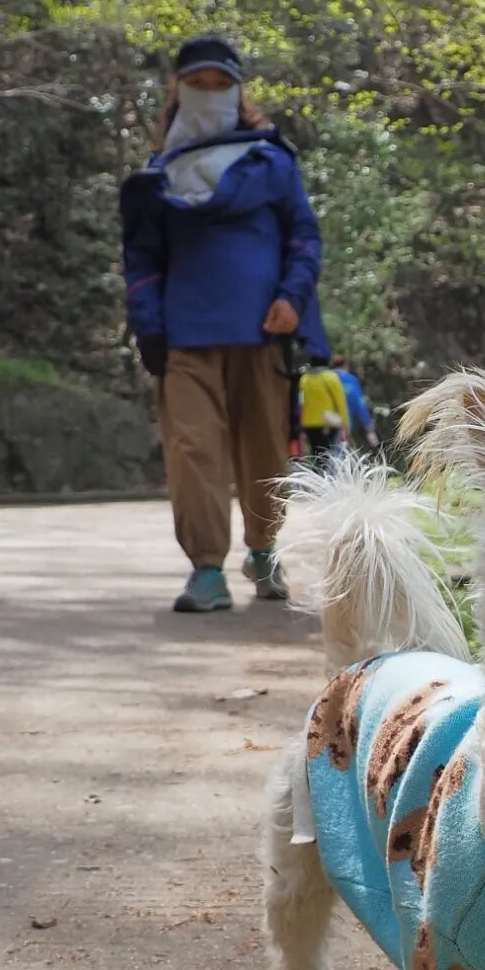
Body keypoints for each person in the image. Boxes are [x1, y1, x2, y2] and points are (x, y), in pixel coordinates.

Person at [120, 34, 326, 611]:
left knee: (265, 453)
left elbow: (303, 237)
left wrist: (292, 296)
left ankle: (264, 551)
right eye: (198, 84)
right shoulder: (157, 178)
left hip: (264, 332)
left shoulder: (272, 162)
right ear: (178, 92)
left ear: (237, 92)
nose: (209, 94)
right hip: (183, 337)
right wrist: (149, 325)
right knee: (192, 452)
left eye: (220, 84)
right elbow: (141, 259)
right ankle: (205, 570)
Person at [294, 362, 351, 464]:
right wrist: (345, 424)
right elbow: (341, 402)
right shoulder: (330, 377)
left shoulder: (304, 379)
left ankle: (317, 474)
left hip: (309, 424)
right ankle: (325, 476)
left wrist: (300, 423)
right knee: (327, 455)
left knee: (316, 454)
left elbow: (301, 403)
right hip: (327, 423)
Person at [334, 362, 380, 451]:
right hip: (343, 423)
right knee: (338, 452)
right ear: (345, 366)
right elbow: (359, 404)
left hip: (317, 423)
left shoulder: (324, 379)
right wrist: (367, 425)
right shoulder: (350, 379)